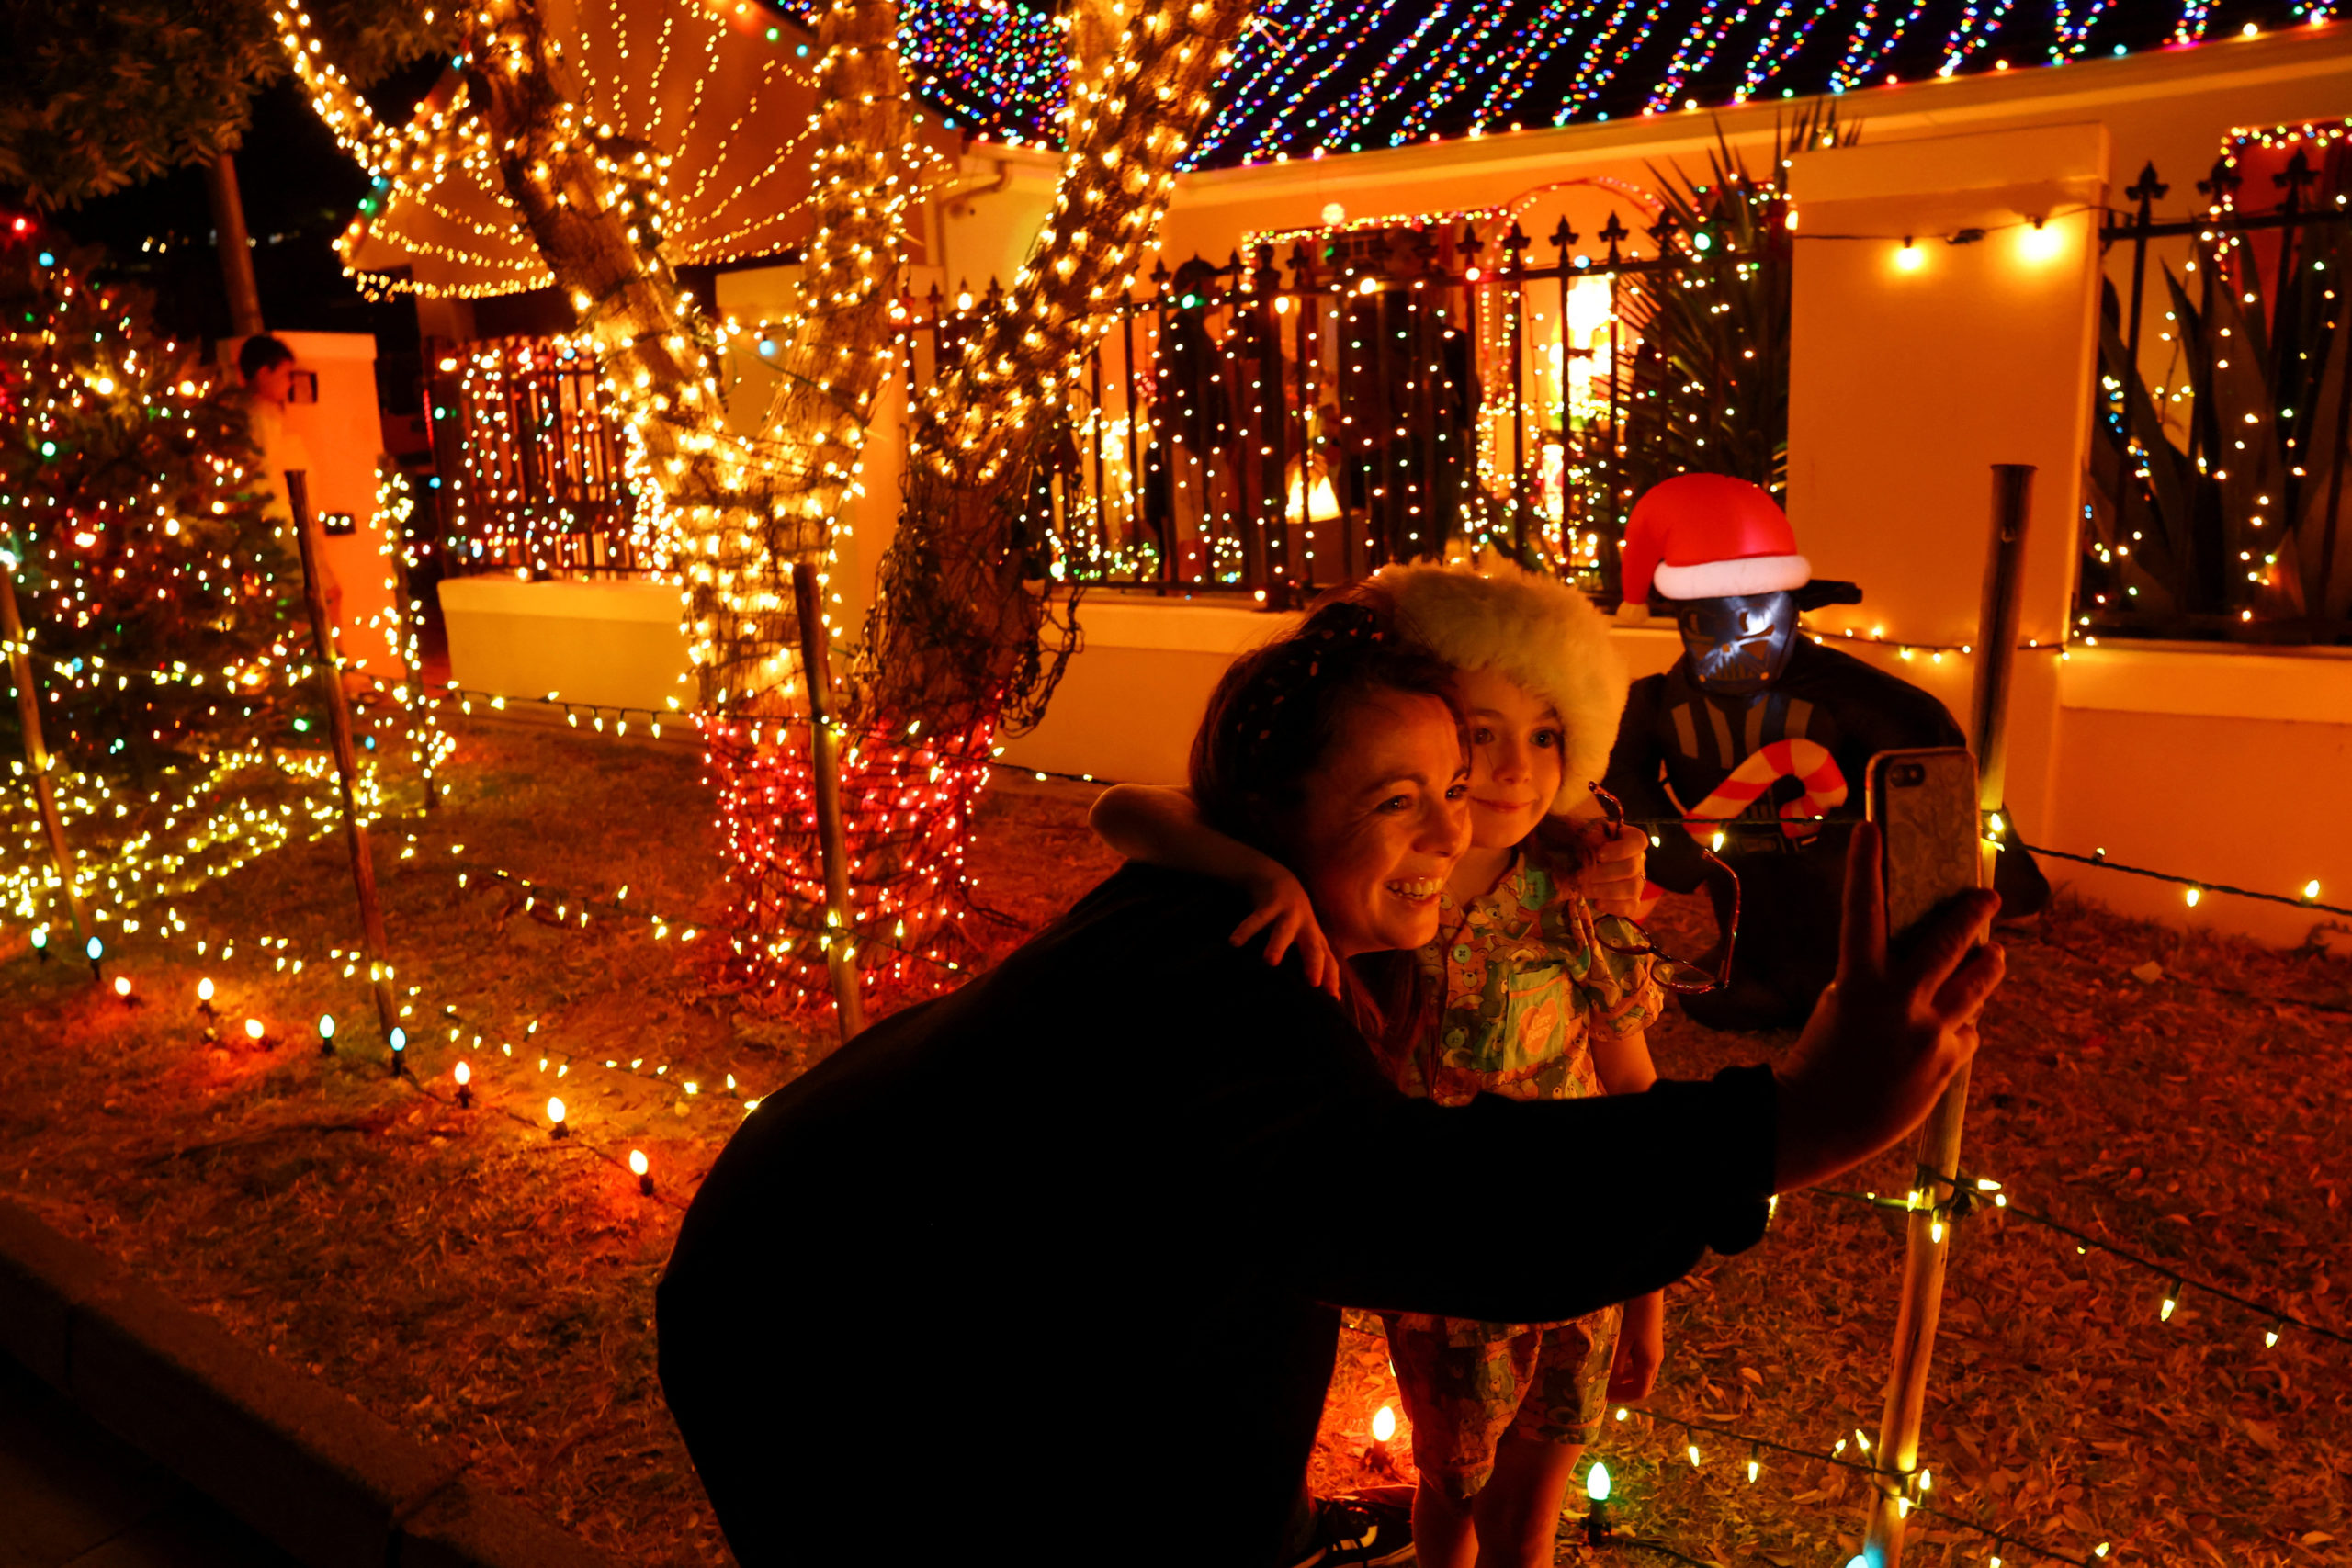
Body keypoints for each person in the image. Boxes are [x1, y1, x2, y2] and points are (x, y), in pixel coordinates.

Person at [656, 598, 2004, 1568]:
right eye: (1392, 799)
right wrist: (1794, 1115)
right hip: (840, 1367)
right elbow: (1436, 1205)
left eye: (1456, 781)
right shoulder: (1231, 975)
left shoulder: (1234, 896)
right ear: (1270, 804)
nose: (1453, 827)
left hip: (909, 1303)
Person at [1090, 562, 1667, 1568]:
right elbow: (1132, 810)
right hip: (1443, 1245)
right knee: (1454, 1484)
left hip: (1578, 1229)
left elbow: (1633, 1088)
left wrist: (1649, 1285)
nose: (1511, 772)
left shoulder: (1567, 890)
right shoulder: (1377, 880)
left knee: (1536, 1493)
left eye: (1544, 736)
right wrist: (1260, 871)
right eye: (1477, 737)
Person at [1603, 474, 2047, 1031]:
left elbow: (1939, 777)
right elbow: (1625, 781)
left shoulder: (1865, 701)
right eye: (1707, 621)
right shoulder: (1658, 706)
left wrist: (1991, 877)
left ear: (1791, 608)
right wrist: (1664, 849)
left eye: (1752, 616)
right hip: (1746, 926)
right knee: (1736, 980)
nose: (1733, 640)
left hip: (1847, 917)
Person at [232, 334, 342, 625]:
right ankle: (327, 666)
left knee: (320, 599)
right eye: (286, 375)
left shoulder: (262, 415)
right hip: (284, 524)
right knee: (314, 603)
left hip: (290, 523)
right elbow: (265, 474)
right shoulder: (259, 416)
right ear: (263, 372)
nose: (290, 383)